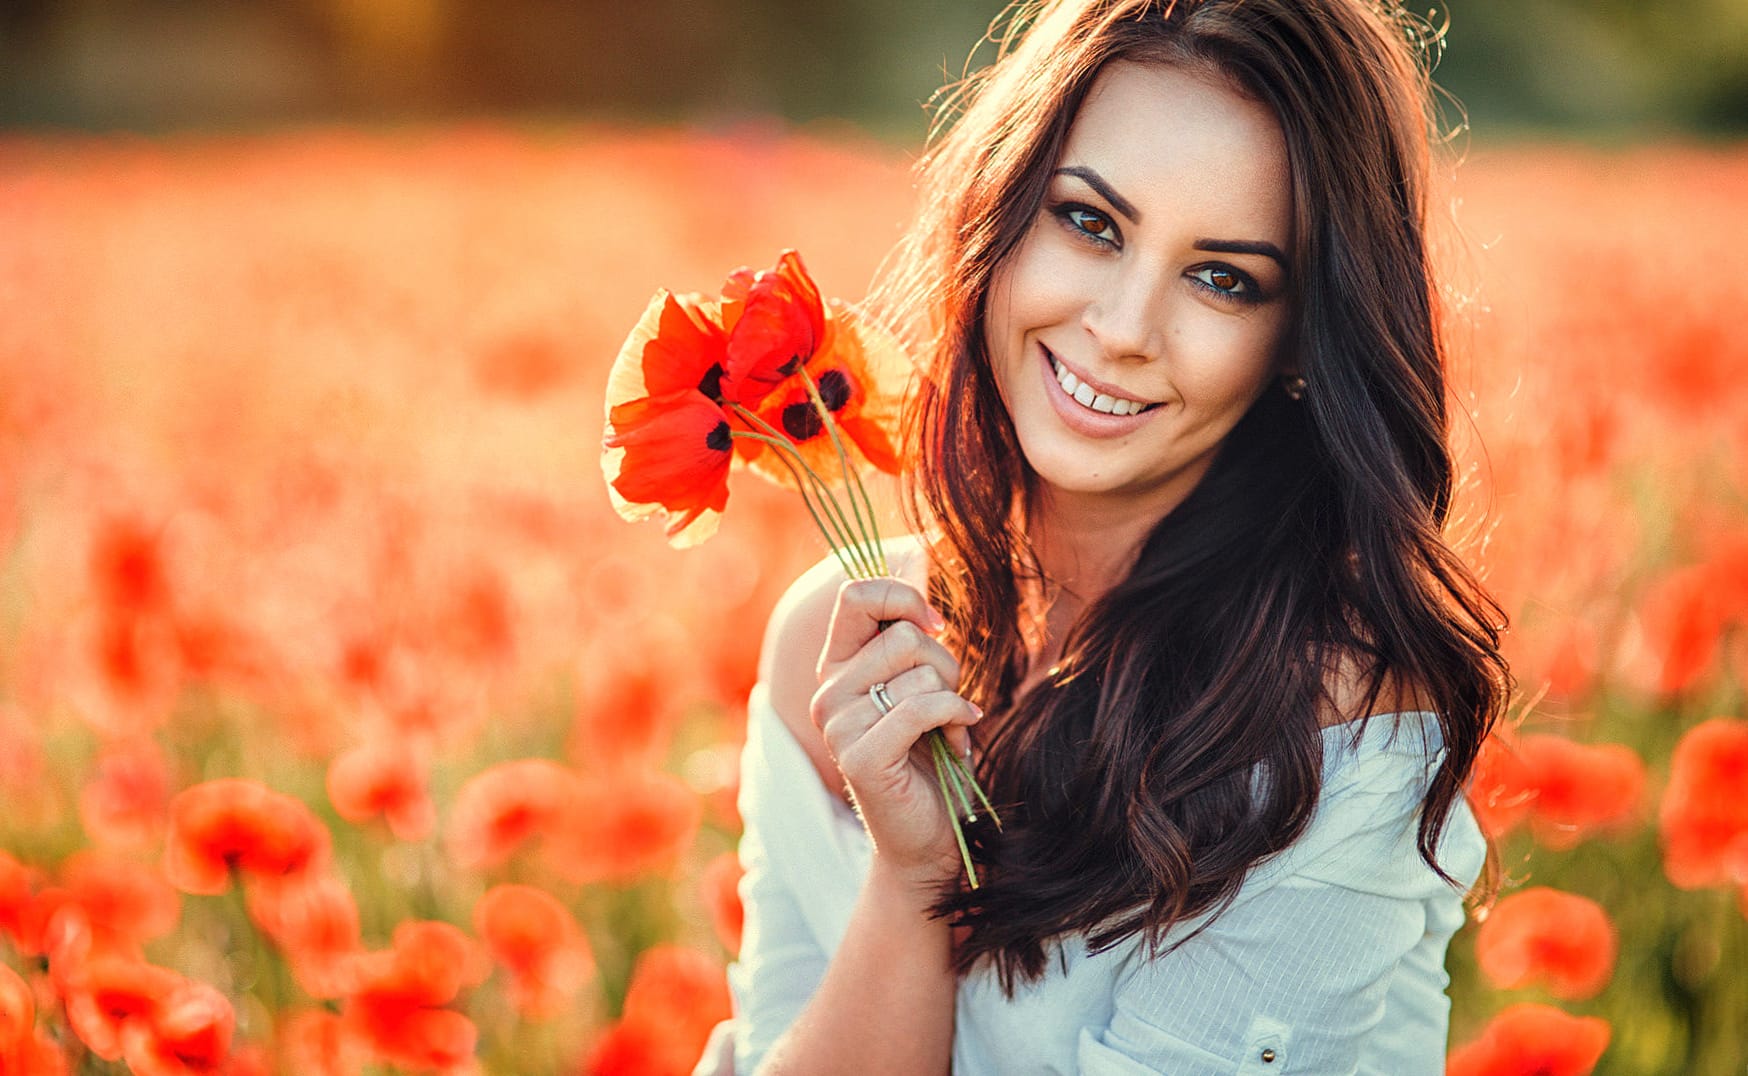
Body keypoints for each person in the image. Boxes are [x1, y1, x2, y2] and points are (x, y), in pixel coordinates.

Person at [704, 0, 1509, 1072]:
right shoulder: (834, 650)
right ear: (1000, 209)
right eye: (1089, 221)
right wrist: (909, 884)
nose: (1123, 328)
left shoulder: (1333, 722)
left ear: (1298, 343)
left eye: (1221, 278)